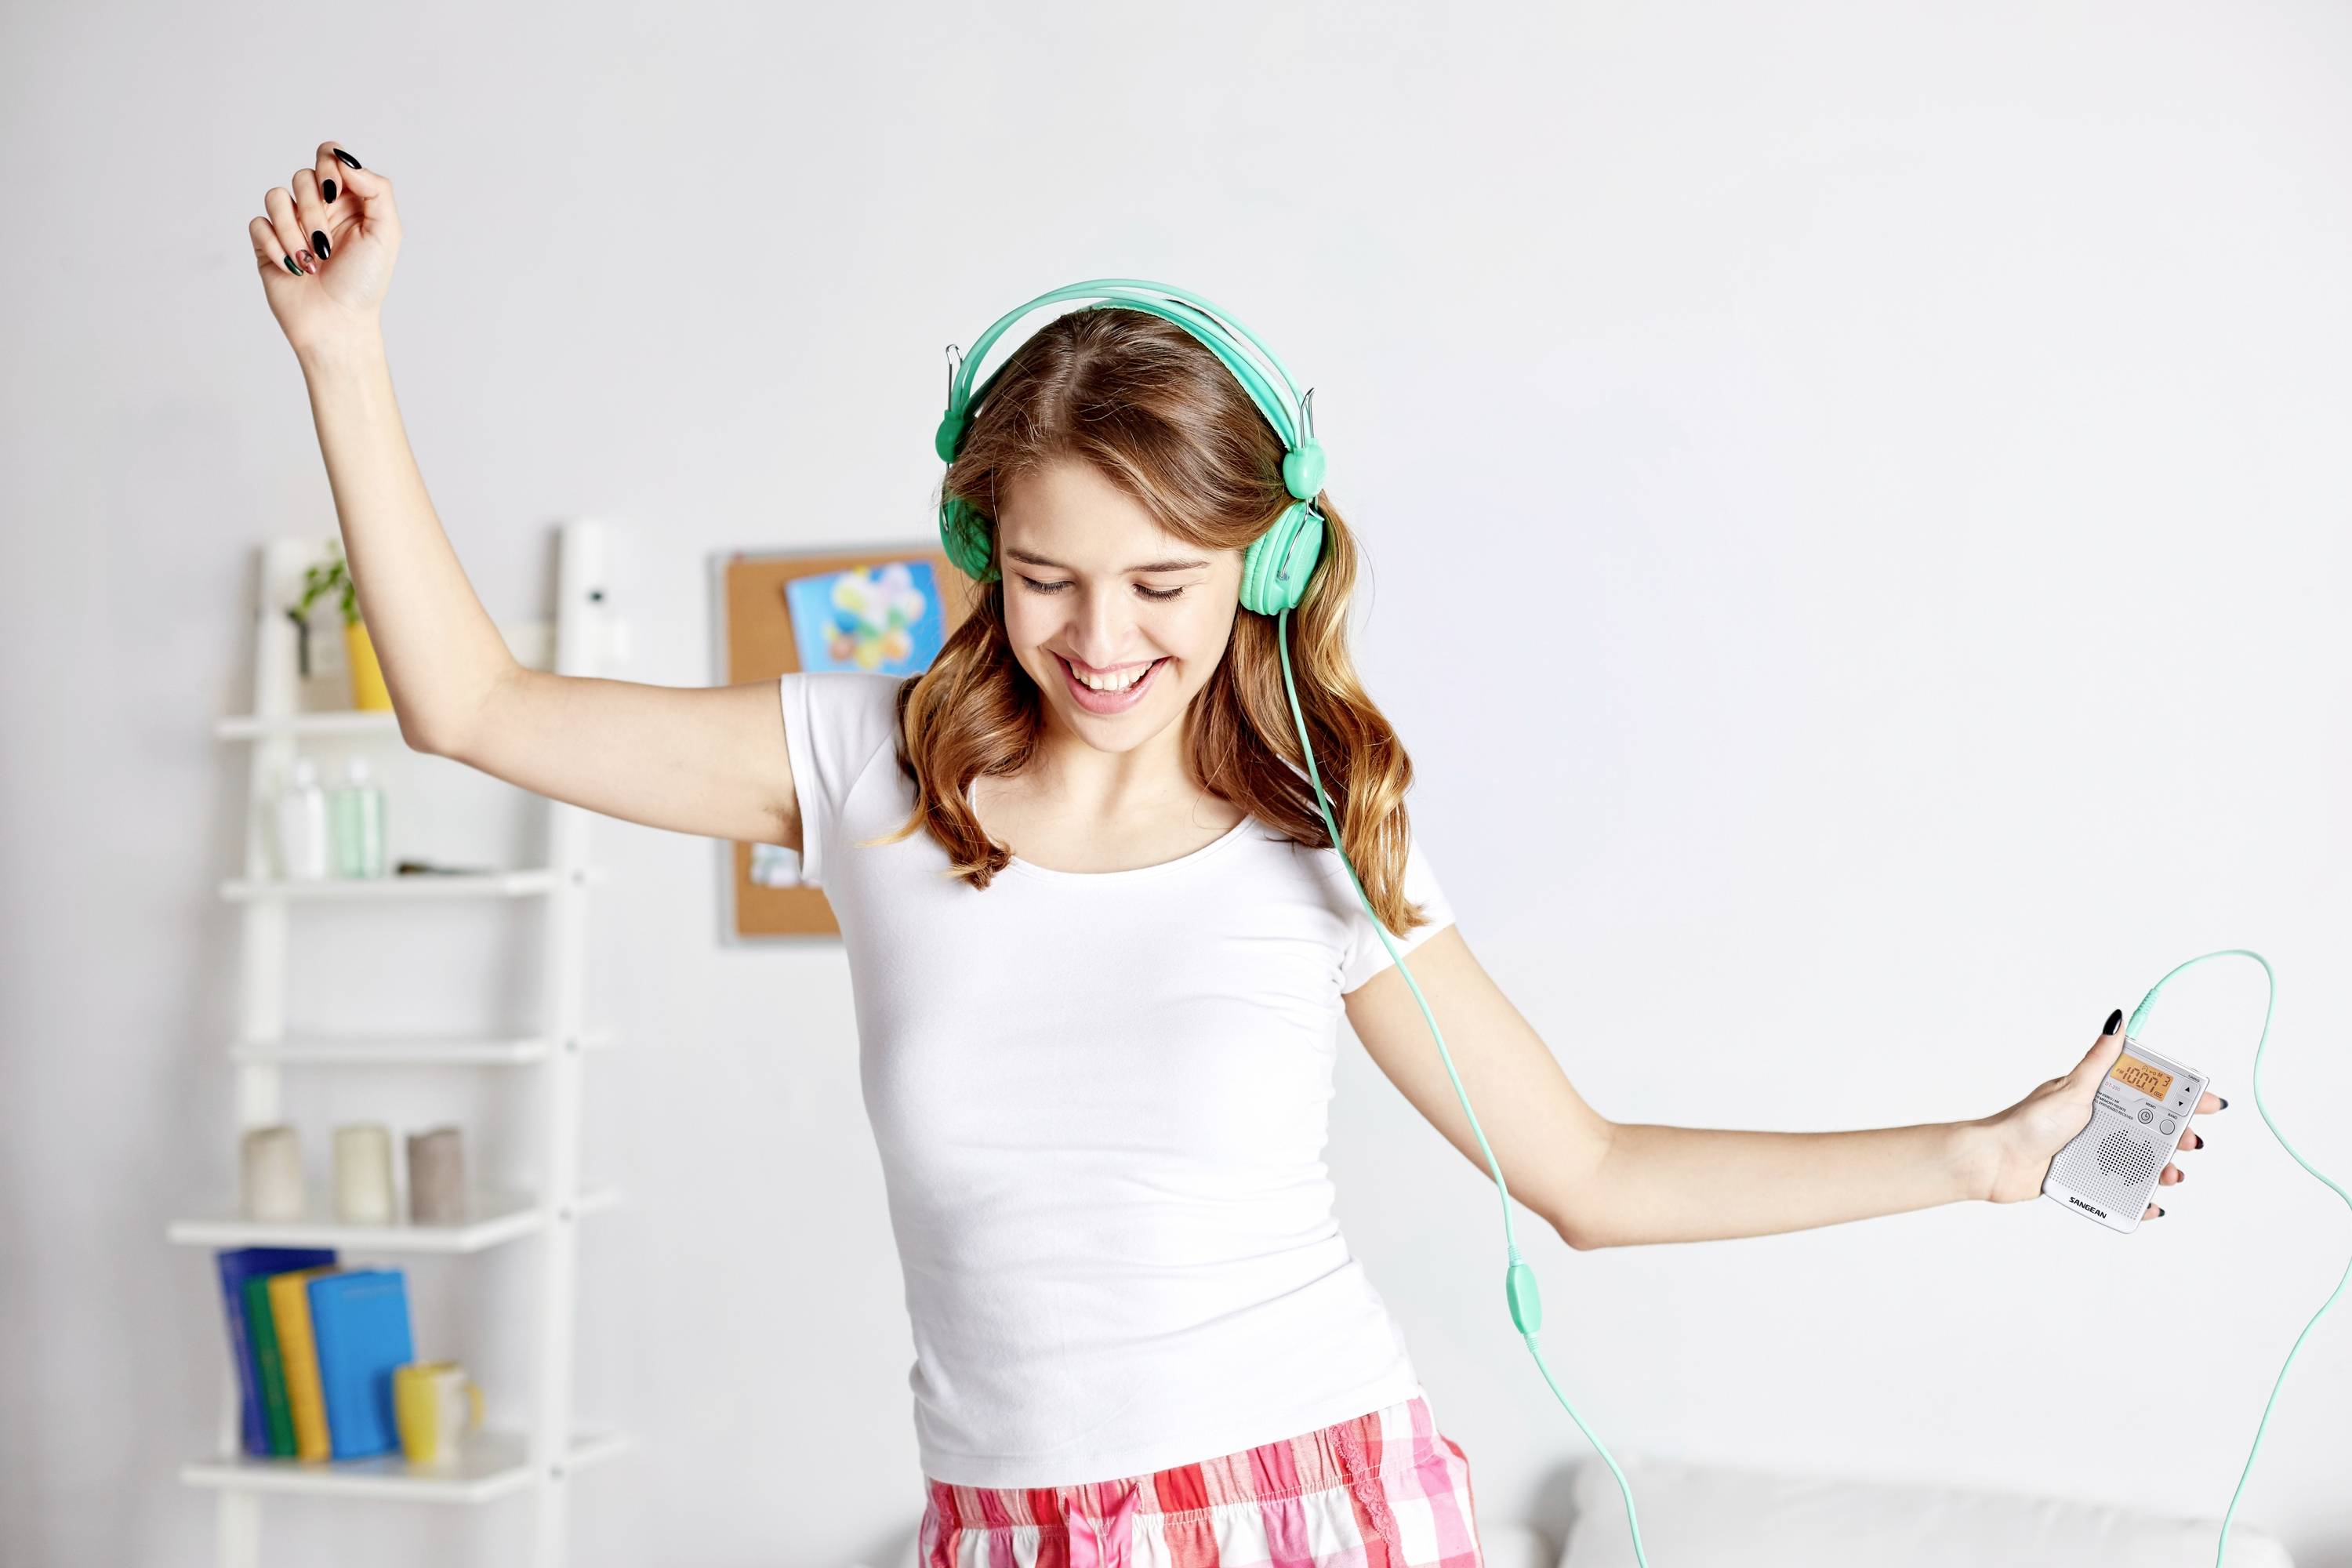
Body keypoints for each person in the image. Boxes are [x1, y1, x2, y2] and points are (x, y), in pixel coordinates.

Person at [249, 143, 2227, 1568]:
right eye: (1043, 579)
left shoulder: (1322, 842)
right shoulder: (859, 762)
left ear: (1268, 562)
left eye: (1164, 583)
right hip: (1003, 1528)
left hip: (1306, 1509)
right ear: (975, 559)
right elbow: (475, 707)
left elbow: (1594, 1178)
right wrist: (344, 350)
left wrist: (1981, 1154)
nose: (1101, 639)